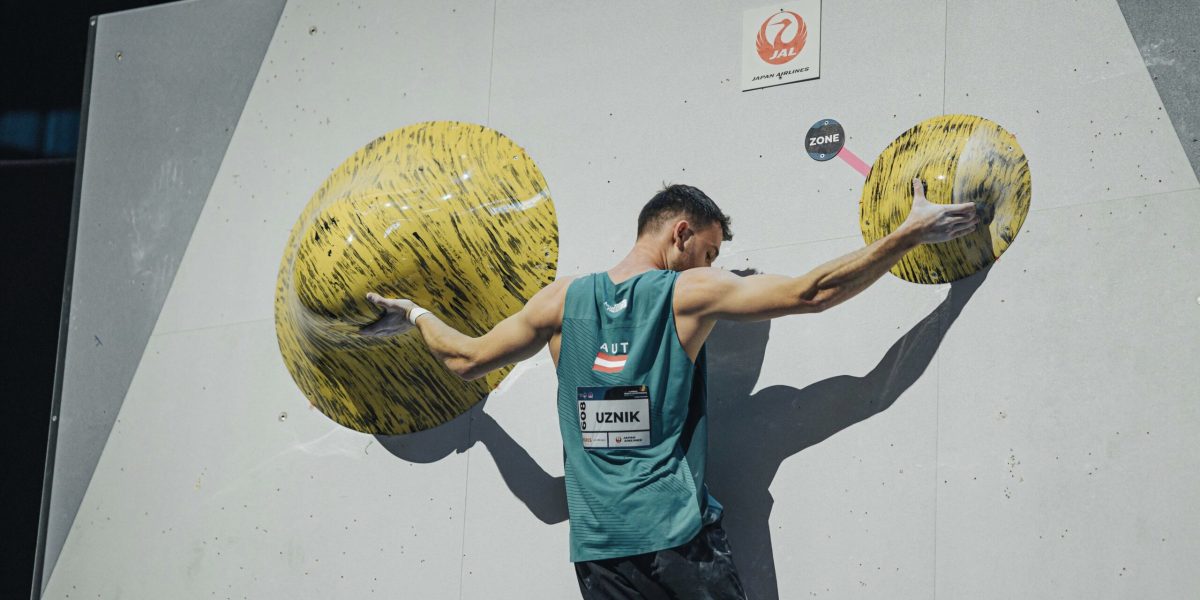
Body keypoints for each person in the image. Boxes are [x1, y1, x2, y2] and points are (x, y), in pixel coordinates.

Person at [360, 178, 979, 599]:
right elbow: (812, 294)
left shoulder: (559, 302)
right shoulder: (685, 294)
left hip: (600, 554)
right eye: (708, 252)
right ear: (680, 234)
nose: (711, 268)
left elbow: (465, 358)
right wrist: (909, 234)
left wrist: (413, 314)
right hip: (681, 545)